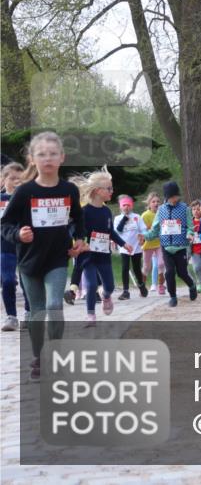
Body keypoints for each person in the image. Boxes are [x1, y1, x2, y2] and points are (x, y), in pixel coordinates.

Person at [0, 132, 86, 381]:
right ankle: (39, 356)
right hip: (29, 261)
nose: (47, 158)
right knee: (36, 312)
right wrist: (19, 235)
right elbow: (5, 224)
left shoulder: (68, 190)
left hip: (57, 257)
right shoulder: (24, 192)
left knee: (54, 305)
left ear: (62, 157)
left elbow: (77, 217)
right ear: (32, 159)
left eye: (53, 154)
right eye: (41, 154)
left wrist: (80, 238)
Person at [72, 167, 131, 325]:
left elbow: (110, 232)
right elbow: (76, 231)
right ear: (98, 191)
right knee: (91, 285)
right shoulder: (83, 212)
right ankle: (90, 315)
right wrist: (81, 243)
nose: (112, 191)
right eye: (109, 188)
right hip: (88, 255)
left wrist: (124, 243)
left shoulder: (106, 212)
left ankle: (106, 296)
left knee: (109, 286)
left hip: (104, 255)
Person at [145, 181, 198, 307]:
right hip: (166, 247)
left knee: (182, 273)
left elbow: (190, 226)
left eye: (176, 196)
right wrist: (145, 237)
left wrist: (190, 234)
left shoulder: (185, 208)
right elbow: (155, 229)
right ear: (167, 197)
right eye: (172, 197)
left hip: (180, 246)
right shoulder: (161, 210)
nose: (175, 199)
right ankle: (173, 297)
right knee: (169, 272)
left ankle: (192, 285)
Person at [1, 162, 27, 330]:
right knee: (8, 281)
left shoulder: (27, 199)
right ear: (4, 179)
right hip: (5, 247)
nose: (16, 182)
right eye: (12, 178)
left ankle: (29, 313)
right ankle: (11, 317)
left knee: (27, 283)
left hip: (25, 247)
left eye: (19, 179)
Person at [141, 193, 163, 294]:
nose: (156, 203)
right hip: (148, 243)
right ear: (149, 204)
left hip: (160, 243)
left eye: (158, 201)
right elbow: (142, 230)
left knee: (161, 263)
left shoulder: (162, 214)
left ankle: (161, 285)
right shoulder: (145, 215)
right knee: (146, 266)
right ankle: (142, 287)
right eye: (153, 202)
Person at [188, 199, 201, 292]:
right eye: (194, 209)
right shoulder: (190, 222)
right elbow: (187, 232)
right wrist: (189, 234)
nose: (196, 211)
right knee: (197, 267)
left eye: (198, 209)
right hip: (194, 248)